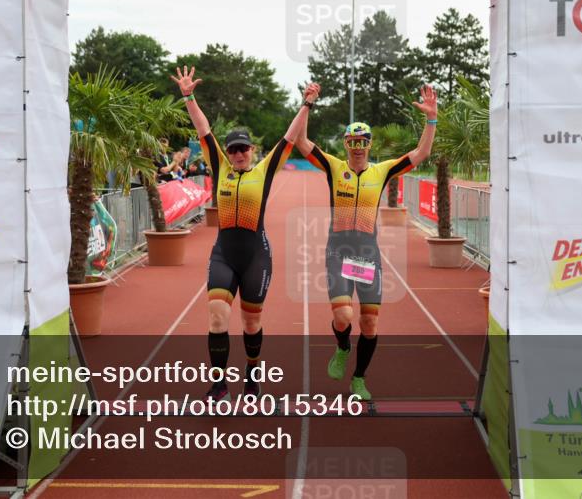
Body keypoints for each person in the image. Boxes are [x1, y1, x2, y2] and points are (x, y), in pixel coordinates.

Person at [172, 66, 318, 401]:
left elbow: (290, 137)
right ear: (227, 152)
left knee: (251, 324)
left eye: (244, 149)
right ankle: (220, 383)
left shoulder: (264, 171)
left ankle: (253, 375)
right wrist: (188, 96)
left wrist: (306, 105)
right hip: (223, 254)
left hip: (256, 256)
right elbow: (203, 128)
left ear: (252, 151)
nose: (238, 154)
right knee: (217, 317)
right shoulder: (219, 165)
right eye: (234, 149)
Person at [294, 85, 437, 400]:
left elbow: (421, 154)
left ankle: (359, 378)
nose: (358, 147)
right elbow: (301, 143)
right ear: (346, 144)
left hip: (367, 254)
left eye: (363, 142)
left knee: (370, 322)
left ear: (369, 145)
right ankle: (343, 346)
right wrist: (308, 103)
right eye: (352, 142)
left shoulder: (382, 171)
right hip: (338, 251)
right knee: (343, 316)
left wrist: (431, 121)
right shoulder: (334, 167)